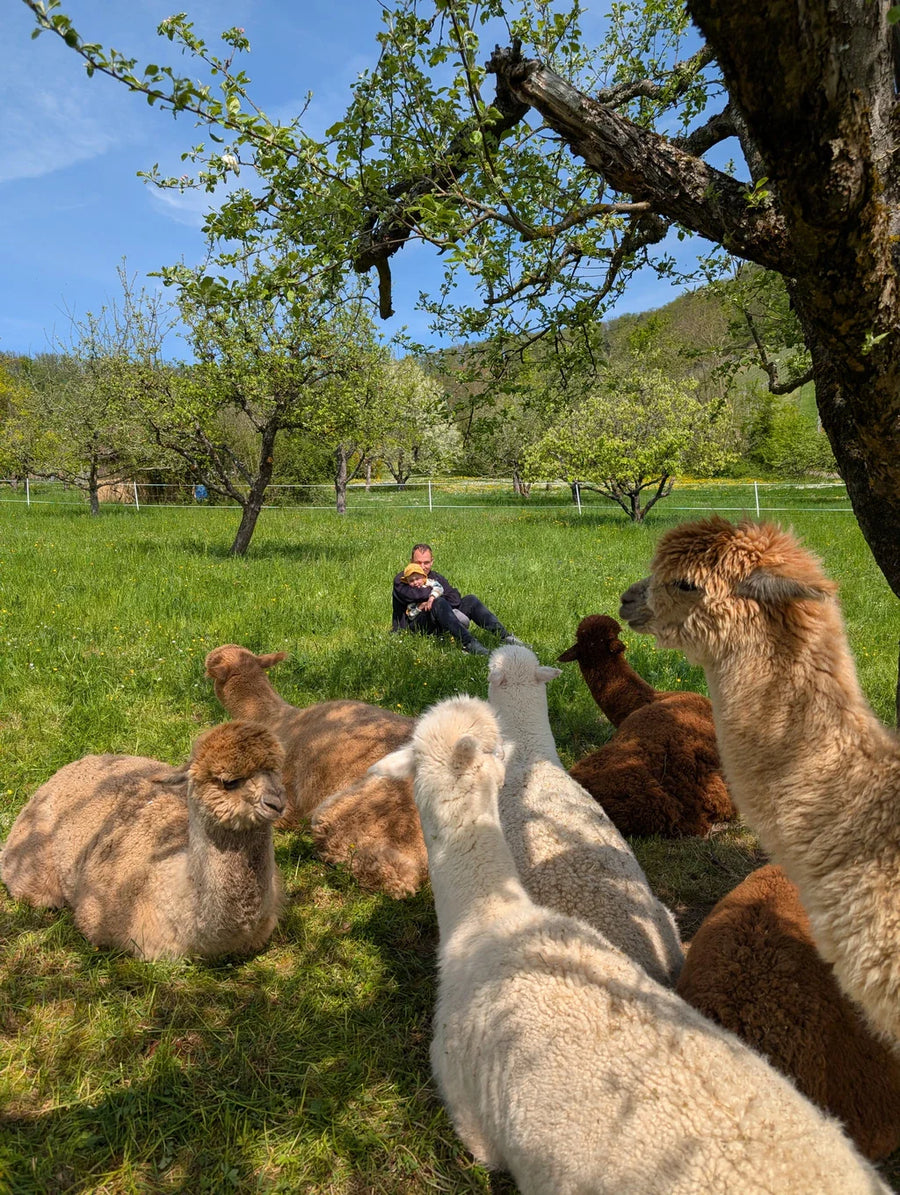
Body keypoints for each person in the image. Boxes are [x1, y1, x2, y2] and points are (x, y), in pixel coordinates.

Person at [391, 542, 527, 657]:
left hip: (439, 620)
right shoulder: (402, 579)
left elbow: (455, 598)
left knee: (470, 600)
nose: (422, 567)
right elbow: (414, 595)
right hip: (415, 625)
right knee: (439, 602)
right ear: (411, 561)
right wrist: (435, 594)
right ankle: (469, 643)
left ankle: (505, 636)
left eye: (426, 562)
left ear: (432, 562)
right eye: (418, 562)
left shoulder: (435, 577)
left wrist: (435, 598)